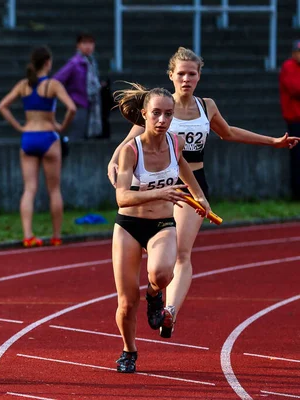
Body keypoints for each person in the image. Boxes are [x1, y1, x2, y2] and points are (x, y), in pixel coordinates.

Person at [107, 47, 300, 339]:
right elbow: (129, 143)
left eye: (192, 74)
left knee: (181, 253)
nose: (186, 79)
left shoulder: (206, 106)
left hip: (191, 183)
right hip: (154, 185)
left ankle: (169, 309)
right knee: (155, 250)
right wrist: (113, 163)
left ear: (199, 76)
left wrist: (272, 141)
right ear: (171, 75)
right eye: (181, 73)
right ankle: (155, 289)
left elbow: (229, 132)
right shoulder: (159, 107)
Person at [112, 84, 210, 373]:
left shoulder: (174, 142)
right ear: (144, 115)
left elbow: (184, 168)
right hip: (129, 225)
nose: (162, 120)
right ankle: (129, 350)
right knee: (127, 302)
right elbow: (122, 197)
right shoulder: (131, 150)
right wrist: (160, 193)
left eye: (168, 114)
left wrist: (199, 196)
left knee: (163, 273)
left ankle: (154, 294)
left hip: (161, 223)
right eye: (156, 113)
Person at [0, 46, 76, 247]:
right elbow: (72, 108)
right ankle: (56, 236)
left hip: (29, 137)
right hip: (49, 137)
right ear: (48, 62)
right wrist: (61, 127)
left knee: (29, 189)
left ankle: (28, 235)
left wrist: (20, 127)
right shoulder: (52, 85)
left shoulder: (24, 84)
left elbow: (2, 106)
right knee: (54, 190)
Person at [53, 32, 108, 140]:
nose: (88, 46)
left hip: (91, 104)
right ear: (78, 45)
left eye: (90, 43)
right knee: (76, 136)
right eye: (84, 43)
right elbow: (56, 80)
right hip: (78, 104)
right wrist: (69, 98)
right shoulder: (74, 63)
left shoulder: (92, 63)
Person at [279, 40, 300, 200]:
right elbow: (295, 88)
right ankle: (296, 193)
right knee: (297, 157)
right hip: (295, 119)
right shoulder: (289, 66)